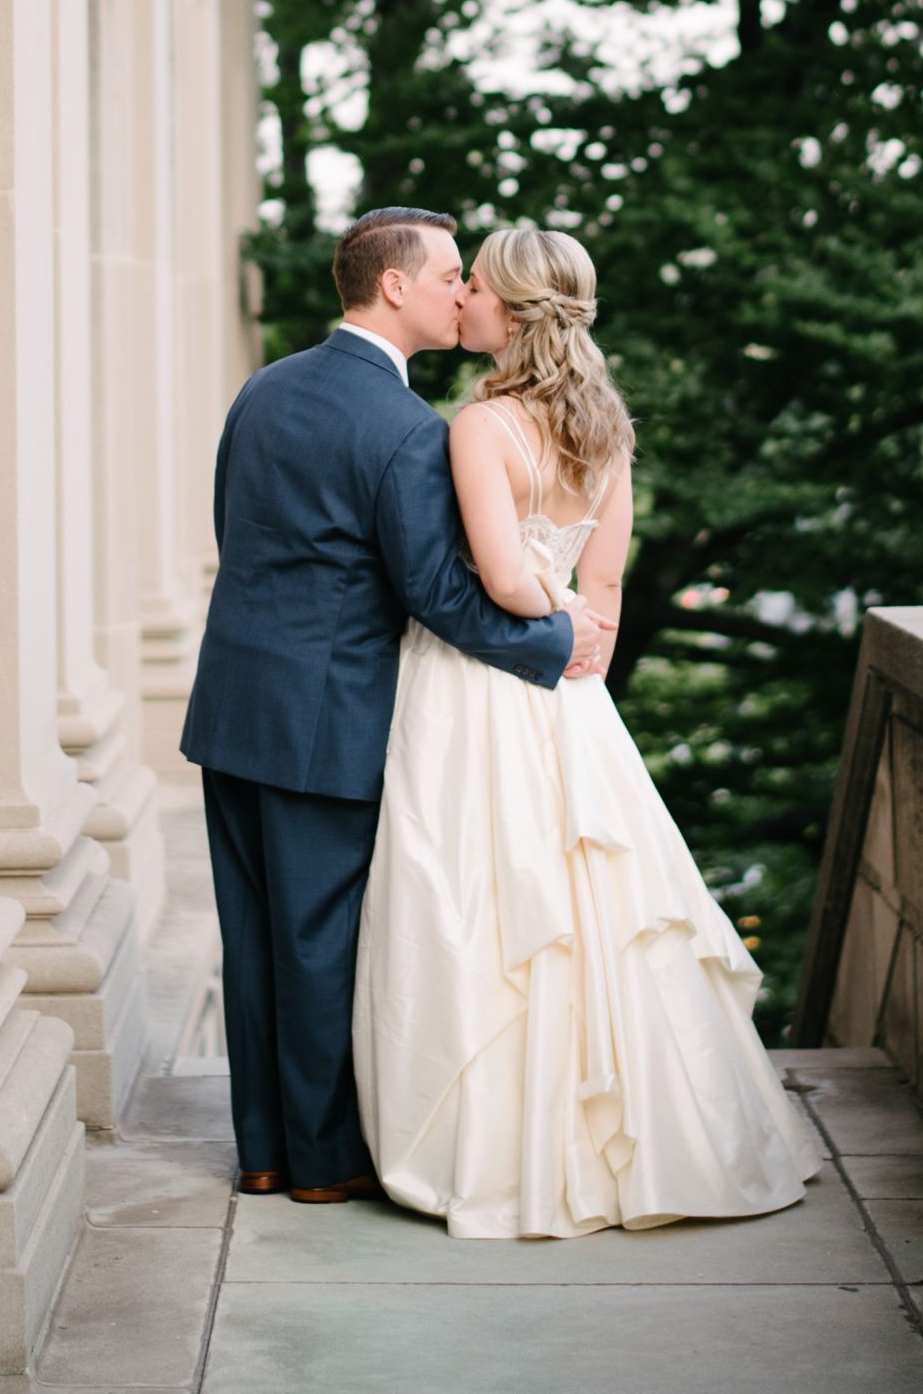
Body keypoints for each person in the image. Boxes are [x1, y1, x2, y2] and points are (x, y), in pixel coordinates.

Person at [352, 225, 824, 1237]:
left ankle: (497, 1142)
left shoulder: (476, 426)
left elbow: (497, 574)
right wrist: (582, 637)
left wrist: (546, 615)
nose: (461, 296)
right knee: (587, 894)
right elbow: (600, 583)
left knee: (482, 893)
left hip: (479, 680)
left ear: (510, 315)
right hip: (571, 691)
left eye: (473, 284)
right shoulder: (605, 426)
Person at [179, 208, 610, 1203]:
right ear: (396, 288)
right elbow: (439, 592)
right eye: (452, 274)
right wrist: (557, 640)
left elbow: (237, 534)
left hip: (232, 703)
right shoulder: (408, 430)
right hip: (326, 717)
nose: (464, 291)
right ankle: (323, 1162)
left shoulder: (262, 388)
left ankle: (262, 1148)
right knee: (319, 937)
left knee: (251, 935)